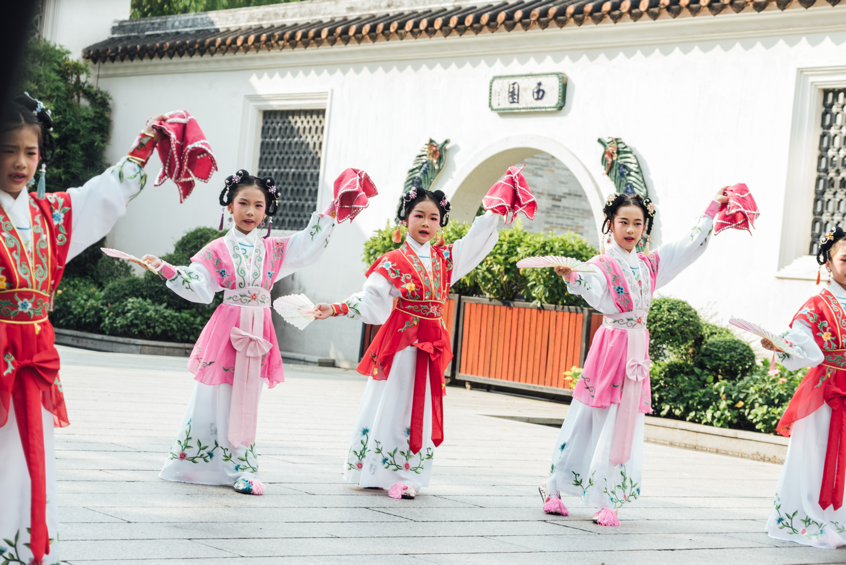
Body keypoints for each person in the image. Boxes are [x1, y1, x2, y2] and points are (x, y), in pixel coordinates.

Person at [0, 93, 164, 564]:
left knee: (33, 458)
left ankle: (24, 549)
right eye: (8, 150)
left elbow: (99, 196)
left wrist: (141, 149)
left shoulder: (49, 216)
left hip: (36, 357)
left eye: (30, 152)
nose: (20, 163)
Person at [142, 169, 337, 495]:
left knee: (249, 396)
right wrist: (167, 270)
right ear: (229, 207)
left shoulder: (274, 250)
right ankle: (197, 465)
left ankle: (241, 467)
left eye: (258, 205)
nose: (250, 212)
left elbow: (306, 244)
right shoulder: (217, 250)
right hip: (228, 327)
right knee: (214, 395)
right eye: (243, 203)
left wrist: (331, 212)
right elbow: (200, 284)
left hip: (259, 329)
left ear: (267, 210)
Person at [541, 188, 727, 526]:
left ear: (645, 228)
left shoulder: (649, 264)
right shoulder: (602, 264)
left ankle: (606, 497)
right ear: (609, 224)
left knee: (623, 421)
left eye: (637, 223)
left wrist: (711, 210)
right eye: (623, 222)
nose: (629, 229)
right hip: (612, 344)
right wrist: (573, 277)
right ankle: (555, 487)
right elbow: (594, 288)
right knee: (588, 416)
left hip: (637, 346)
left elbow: (685, 247)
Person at [313, 184, 509, 499]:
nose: (426, 223)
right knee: (391, 401)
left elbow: (475, 241)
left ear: (440, 223)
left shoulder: (446, 259)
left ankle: (408, 474)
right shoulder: (393, 260)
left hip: (432, 342)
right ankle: (375, 469)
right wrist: (336, 308)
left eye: (434, 217)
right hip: (401, 344)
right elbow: (371, 299)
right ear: (406, 218)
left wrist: (497, 207)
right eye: (419, 215)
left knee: (420, 405)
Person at [763, 226, 846, 549]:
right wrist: (781, 345)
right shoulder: (817, 303)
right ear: (827, 262)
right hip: (826, 391)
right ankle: (810, 519)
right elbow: (801, 342)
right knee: (814, 453)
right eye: (844, 258)